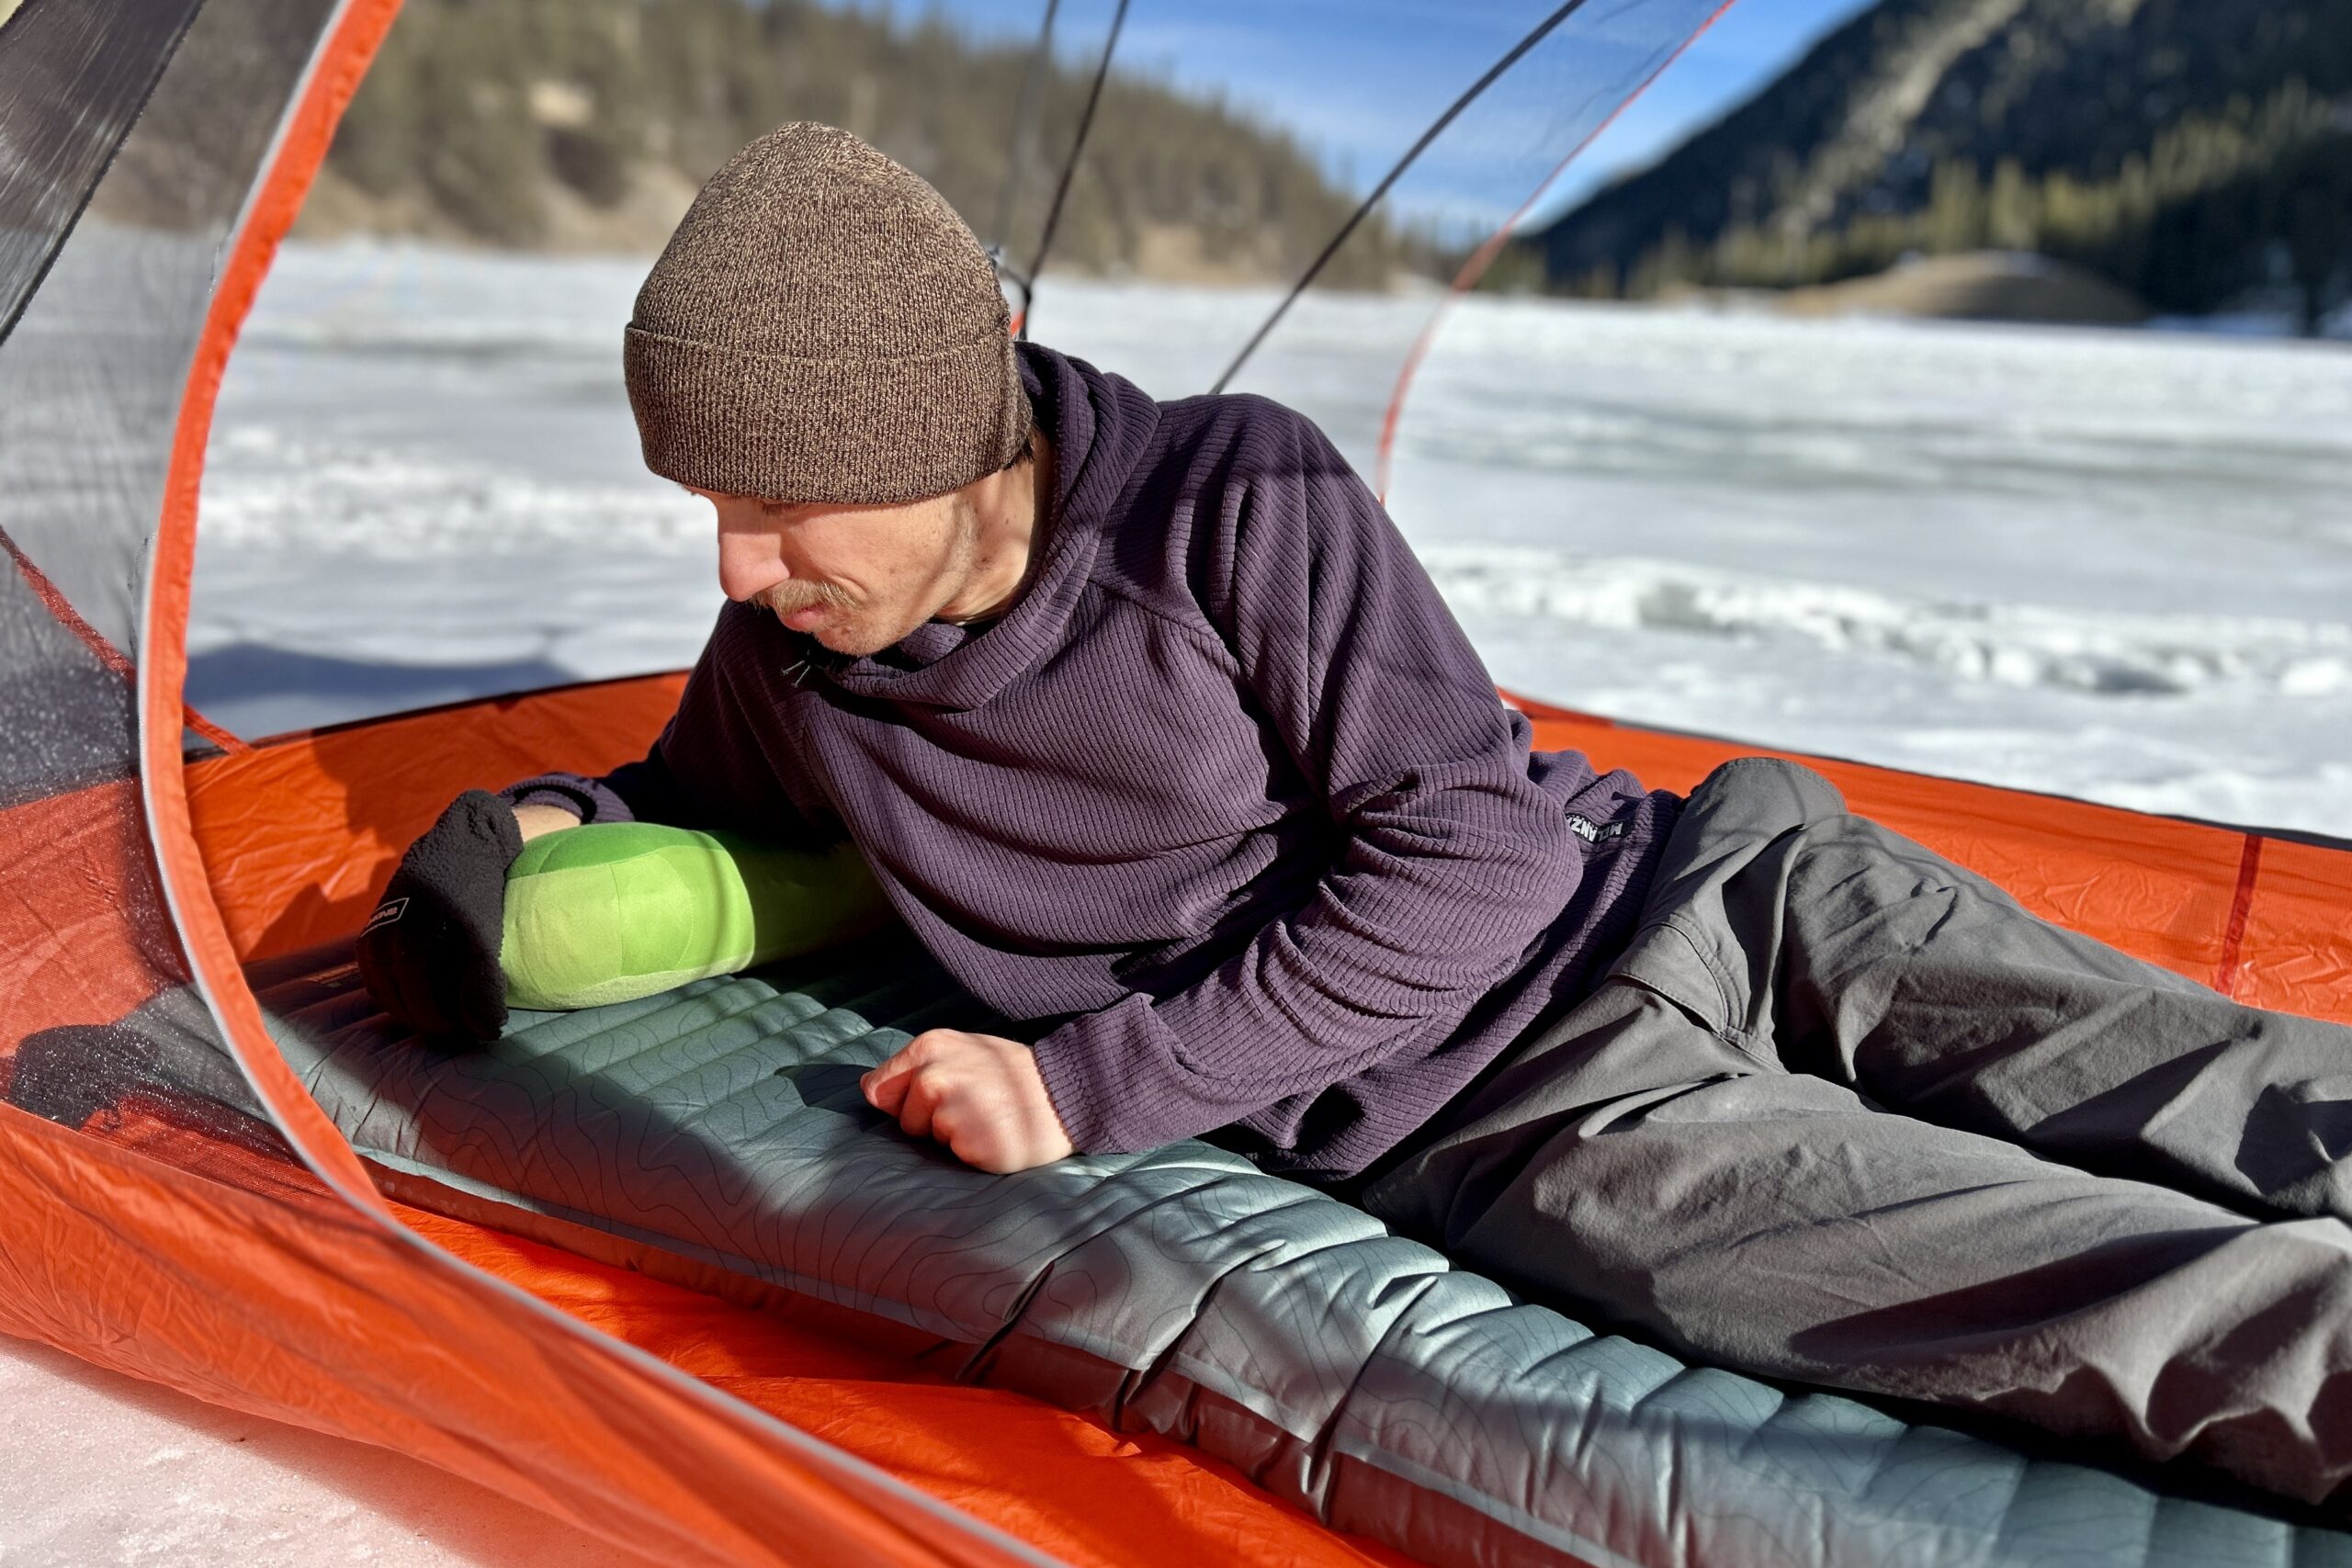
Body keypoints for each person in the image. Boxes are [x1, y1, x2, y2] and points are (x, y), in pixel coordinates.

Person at [356, 122, 2352, 1512]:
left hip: (1708, 881)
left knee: (2236, 1081)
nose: (733, 561)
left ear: (941, 436)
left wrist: (1088, 1082)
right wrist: (488, 853)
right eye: (702, 500)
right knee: (2130, 1297)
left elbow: (1471, 844)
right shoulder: (802, 668)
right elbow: (647, 796)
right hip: (1519, 1125)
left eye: (779, 501)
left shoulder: (1229, 494)